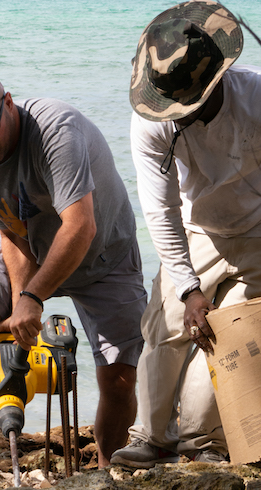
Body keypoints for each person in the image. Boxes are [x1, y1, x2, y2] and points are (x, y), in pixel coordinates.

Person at [0, 68, 147, 468]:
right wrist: (22, 301)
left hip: (104, 254)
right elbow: (13, 233)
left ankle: (106, 470)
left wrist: (34, 297)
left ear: (8, 102)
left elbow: (81, 226)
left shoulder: (56, 129)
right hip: (31, 244)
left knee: (119, 379)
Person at [110, 0, 261, 468]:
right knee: (167, 328)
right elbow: (161, 209)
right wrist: (188, 287)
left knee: (225, 335)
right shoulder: (151, 122)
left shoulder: (256, 98)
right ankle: (151, 438)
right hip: (195, 228)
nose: (178, 114)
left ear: (216, 81)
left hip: (258, 233)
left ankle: (200, 444)